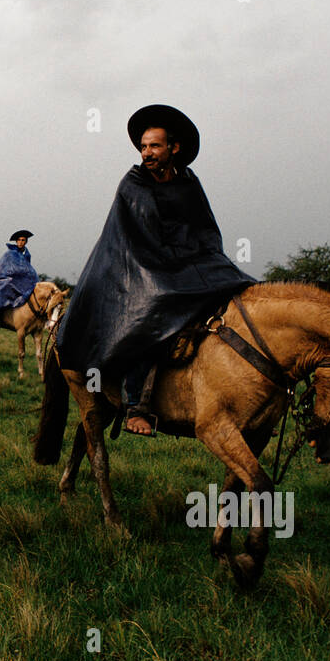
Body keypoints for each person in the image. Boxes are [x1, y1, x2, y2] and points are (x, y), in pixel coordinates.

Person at [55, 104, 256, 435]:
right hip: (136, 268)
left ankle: (244, 396)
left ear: (173, 148)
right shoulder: (133, 184)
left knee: (241, 286)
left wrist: (206, 258)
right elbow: (137, 237)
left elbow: (206, 229)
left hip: (186, 263)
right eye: (143, 146)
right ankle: (137, 404)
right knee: (153, 308)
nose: (146, 153)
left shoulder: (189, 182)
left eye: (154, 146)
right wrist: (173, 263)